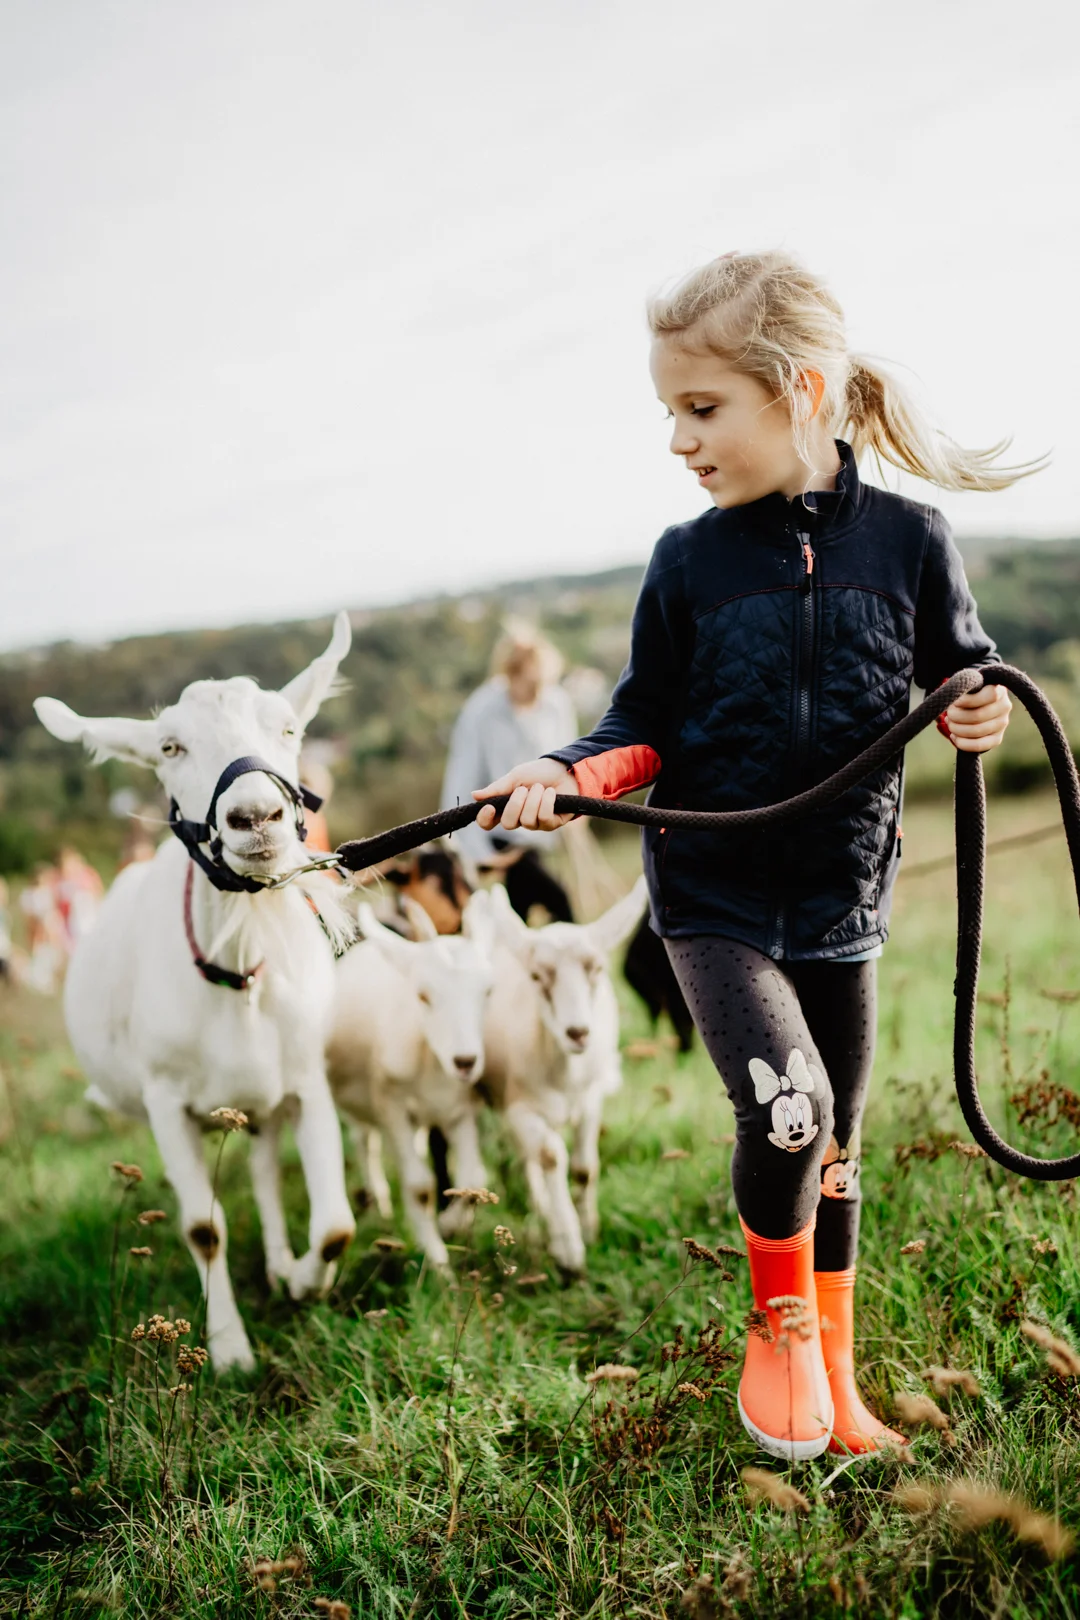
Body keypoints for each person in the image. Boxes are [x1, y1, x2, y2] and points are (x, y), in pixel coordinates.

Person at [472, 250, 1028, 1460]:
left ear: (805, 392)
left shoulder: (915, 541)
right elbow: (639, 725)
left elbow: (962, 673)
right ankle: (777, 1330)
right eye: (670, 411)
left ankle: (837, 1377)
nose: (678, 439)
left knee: (838, 1156)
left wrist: (972, 705)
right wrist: (569, 776)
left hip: (844, 902)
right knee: (788, 1117)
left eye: (703, 407)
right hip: (714, 899)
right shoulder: (689, 562)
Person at [441, 622, 577, 923]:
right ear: (510, 674)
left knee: (523, 913)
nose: (537, 695)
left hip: (541, 832)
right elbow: (460, 783)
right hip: (498, 834)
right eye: (531, 686)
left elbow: (571, 760)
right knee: (557, 903)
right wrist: (479, 853)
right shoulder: (481, 711)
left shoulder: (556, 704)